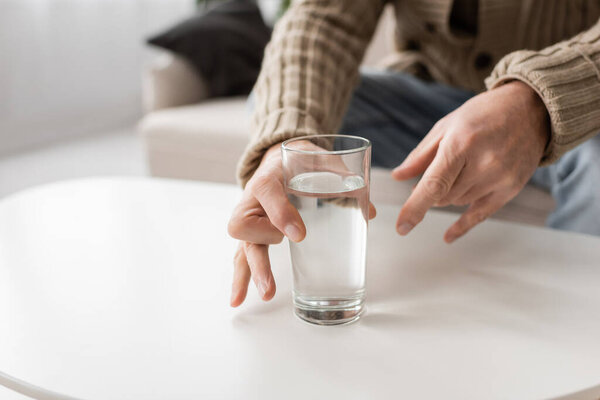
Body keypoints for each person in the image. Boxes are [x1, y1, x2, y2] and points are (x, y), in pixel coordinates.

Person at [227, 0, 600, 307]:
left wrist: (535, 102)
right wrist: (282, 145)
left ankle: (574, 333)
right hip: (424, 102)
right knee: (283, 117)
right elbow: (323, 18)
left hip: (583, 109)